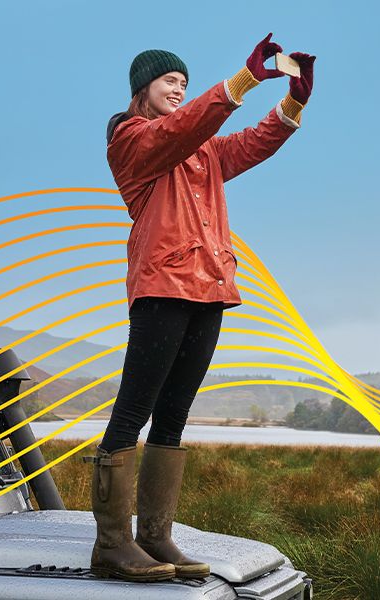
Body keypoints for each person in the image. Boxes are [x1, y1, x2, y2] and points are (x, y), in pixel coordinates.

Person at [82, 33, 315, 582]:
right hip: (163, 284)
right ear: (144, 89)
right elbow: (180, 131)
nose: (179, 88)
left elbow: (250, 143)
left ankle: (156, 537)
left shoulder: (201, 147)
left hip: (209, 288)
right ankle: (111, 544)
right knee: (134, 407)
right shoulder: (131, 137)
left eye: (184, 83)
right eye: (170, 80)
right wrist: (244, 80)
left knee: (175, 413)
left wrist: (294, 102)